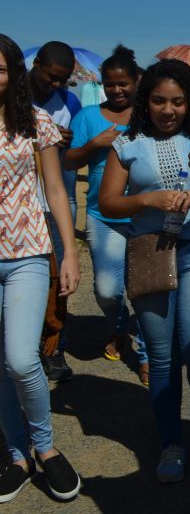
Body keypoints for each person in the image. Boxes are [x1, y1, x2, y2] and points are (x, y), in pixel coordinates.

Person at [99, 60, 190, 483]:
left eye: (178, 102)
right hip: (149, 251)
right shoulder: (126, 143)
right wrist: (147, 201)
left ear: (189, 103)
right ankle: (170, 442)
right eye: (159, 101)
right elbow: (108, 203)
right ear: (145, 101)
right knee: (162, 357)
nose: (168, 110)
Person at [0, 33, 83, 503]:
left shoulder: (37, 122)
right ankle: (15, 454)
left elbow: (55, 190)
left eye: (0, 67)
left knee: (21, 358)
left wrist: (68, 253)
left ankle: (45, 447)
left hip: (28, 252)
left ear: (13, 71)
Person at [63, 45, 149, 385]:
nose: (116, 90)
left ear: (136, 82)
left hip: (144, 216)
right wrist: (94, 144)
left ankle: (145, 355)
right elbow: (70, 161)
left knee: (145, 288)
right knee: (107, 290)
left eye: (123, 83)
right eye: (110, 84)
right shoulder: (87, 117)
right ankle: (120, 328)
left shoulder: (148, 115)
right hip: (102, 216)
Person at [28, 42, 81, 382]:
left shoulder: (70, 103)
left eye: (63, 79)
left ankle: (53, 345)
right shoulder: (13, 96)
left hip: (54, 201)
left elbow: (77, 152)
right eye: (52, 77)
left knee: (57, 280)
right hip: (19, 206)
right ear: (36, 66)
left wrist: (68, 141)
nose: (57, 85)